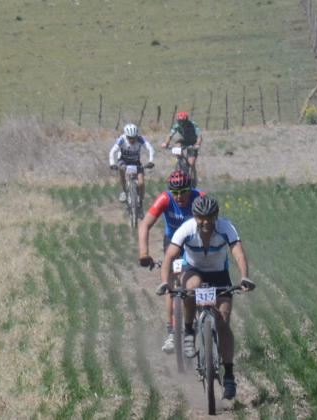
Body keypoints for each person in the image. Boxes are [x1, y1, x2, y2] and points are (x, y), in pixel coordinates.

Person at [159, 195, 255, 400]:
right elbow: (169, 256)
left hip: (219, 274)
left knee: (223, 323)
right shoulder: (186, 229)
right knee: (191, 288)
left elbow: (238, 252)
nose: (205, 222)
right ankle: (189, 331)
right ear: (194, 216)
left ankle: (229, 375)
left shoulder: (226, 228)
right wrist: (165, 283)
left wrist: (245, 277)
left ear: (216, 216)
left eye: (209, 217)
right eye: (201, 217)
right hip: (192, 269)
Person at [138, 170, 204, 353]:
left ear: (190, 189)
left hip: (196, 243)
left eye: (183, 191)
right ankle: (172, 331)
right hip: (173, 243)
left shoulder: (200, 197)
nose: (179, 196)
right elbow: (145, 224)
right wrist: (144, 252)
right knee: (172, 284)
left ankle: (207, 314)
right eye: (175, 192)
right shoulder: (165, 199)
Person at [109, 123, 154, 203]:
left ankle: (141, 201)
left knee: (141, 183)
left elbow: (150, 148)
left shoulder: (140, 139)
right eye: (129, 138)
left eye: (134, 138)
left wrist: (151, 161)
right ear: (126, 136)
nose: (132, 140)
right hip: (123, 160)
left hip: (136, 162)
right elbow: (112, 151)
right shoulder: (122, 139)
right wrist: (112, 163)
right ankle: (124, 192)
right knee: (121, 169)